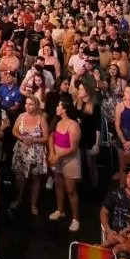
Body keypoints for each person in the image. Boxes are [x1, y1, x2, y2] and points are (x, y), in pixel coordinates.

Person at [48, 95, 82, 232]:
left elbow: (73, 147)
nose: (56, 108)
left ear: (64, 109)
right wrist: (51, 152)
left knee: (71, 190)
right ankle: (60, 210)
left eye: (58, 106)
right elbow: (51, 136)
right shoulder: (57, 121)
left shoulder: (73, 125)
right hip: (57, 158)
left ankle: (75, 218)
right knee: (59, 186)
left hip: (69, 160)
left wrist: (58, 155)